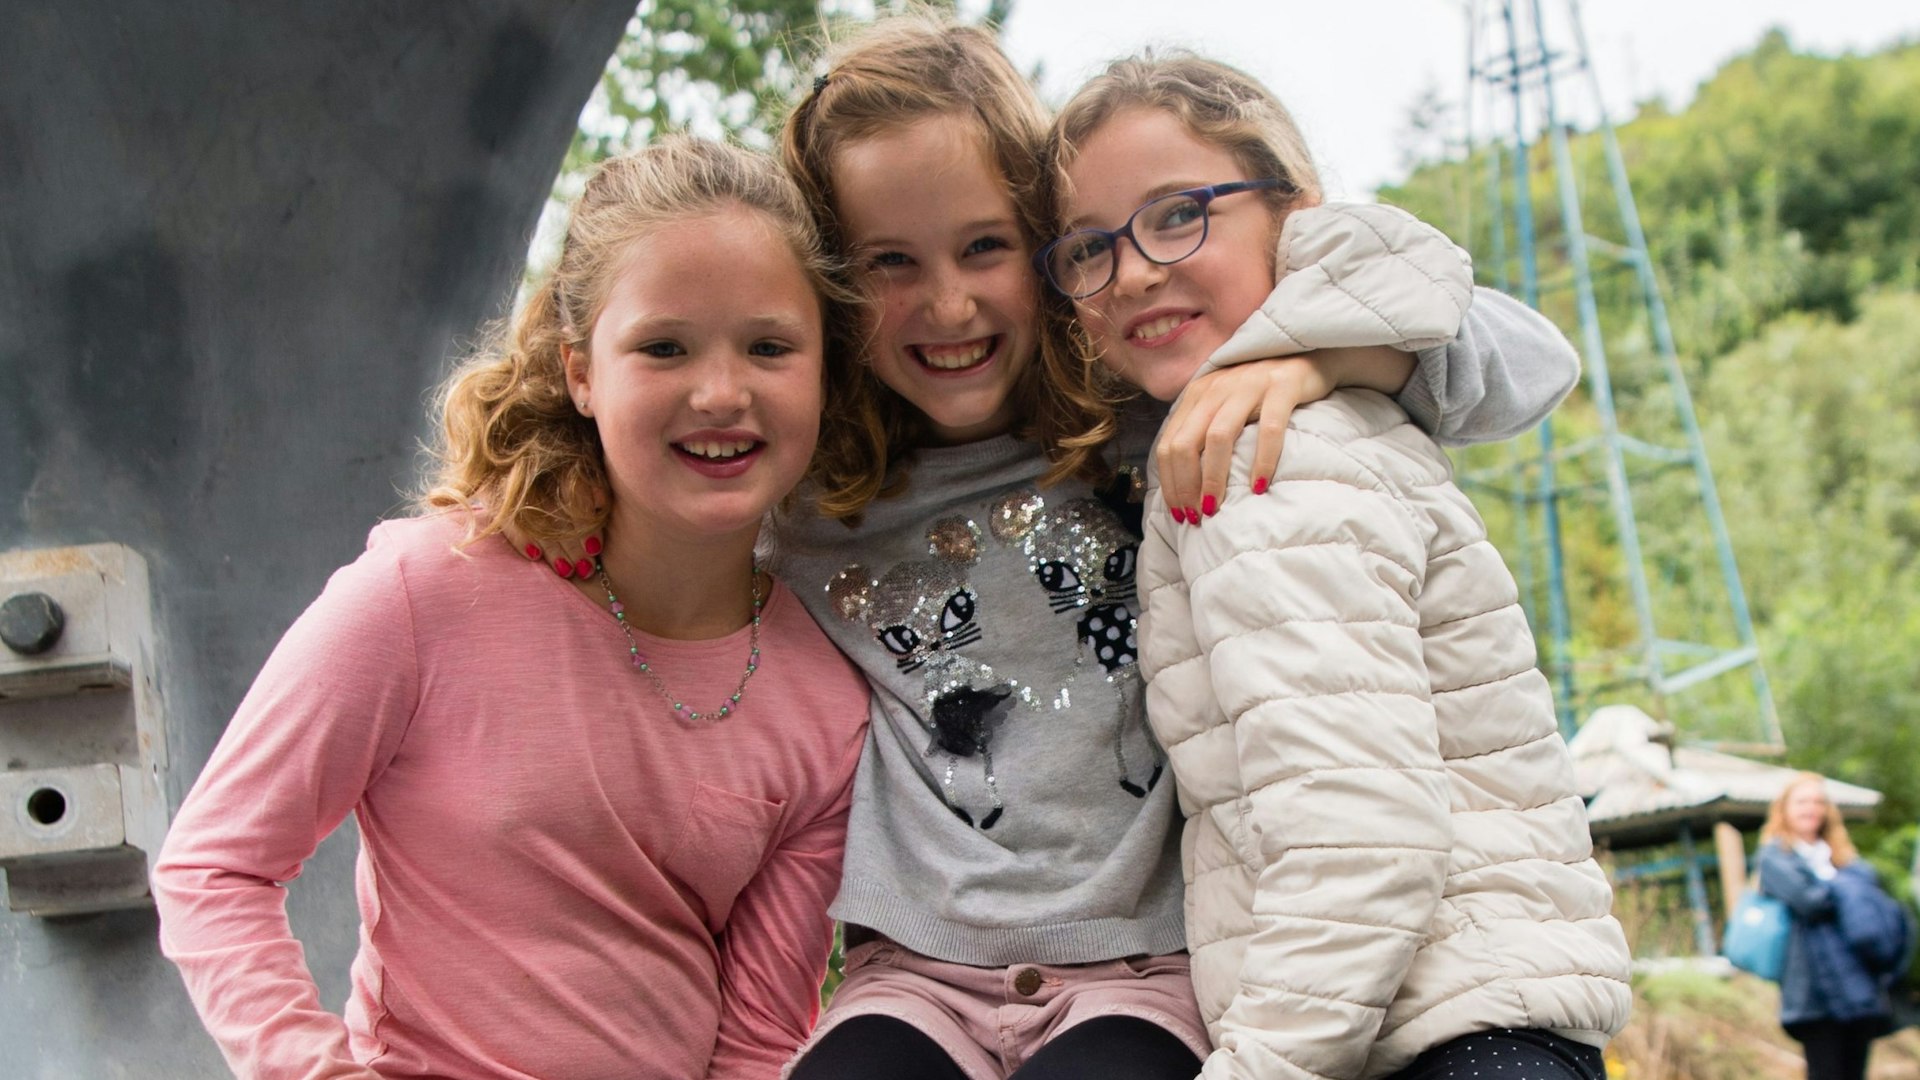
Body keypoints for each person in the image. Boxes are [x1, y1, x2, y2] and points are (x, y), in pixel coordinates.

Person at [520, 15, 1585, 1078]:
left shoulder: (1150, 417)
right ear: (834, 284)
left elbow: (1528, 359)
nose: (946, 303)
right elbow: (628, 458)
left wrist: (1323, 358)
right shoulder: (804, 490)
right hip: (915, 977)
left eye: (985, 246)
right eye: (890, 262)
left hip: (1144, 974)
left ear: (1049, 247)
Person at [150, 136, 872, 1080]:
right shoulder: (423, 590)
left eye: (770, 347)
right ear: (582, 373)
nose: (721, 392)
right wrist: (312, 1069)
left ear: (823, 370)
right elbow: (214, 868)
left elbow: (759, 1047)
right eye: (663, 346)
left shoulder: (827, 703)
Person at [1042, 52, 1634, 1080]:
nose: (1134, 268)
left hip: (1439, 1032)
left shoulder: (1263, 452)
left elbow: (1362, 842)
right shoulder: (1267, 415)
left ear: (1293, 214)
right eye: (1091, 248)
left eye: (1180, 213)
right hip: (1455, 1016)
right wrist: (1337, 348)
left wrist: (1260, 1063)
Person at [1759, 772, 1906, 1080]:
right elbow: (1810, 902)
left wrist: (1836, 886)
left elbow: (1871, 896)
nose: (1811, 808)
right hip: (1814, 992)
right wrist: (1846, 889)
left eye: (1818, 801)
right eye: (1802, 801)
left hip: (1859, 984)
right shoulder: (1775, 856)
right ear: (1784, 808)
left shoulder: (1843, 857)